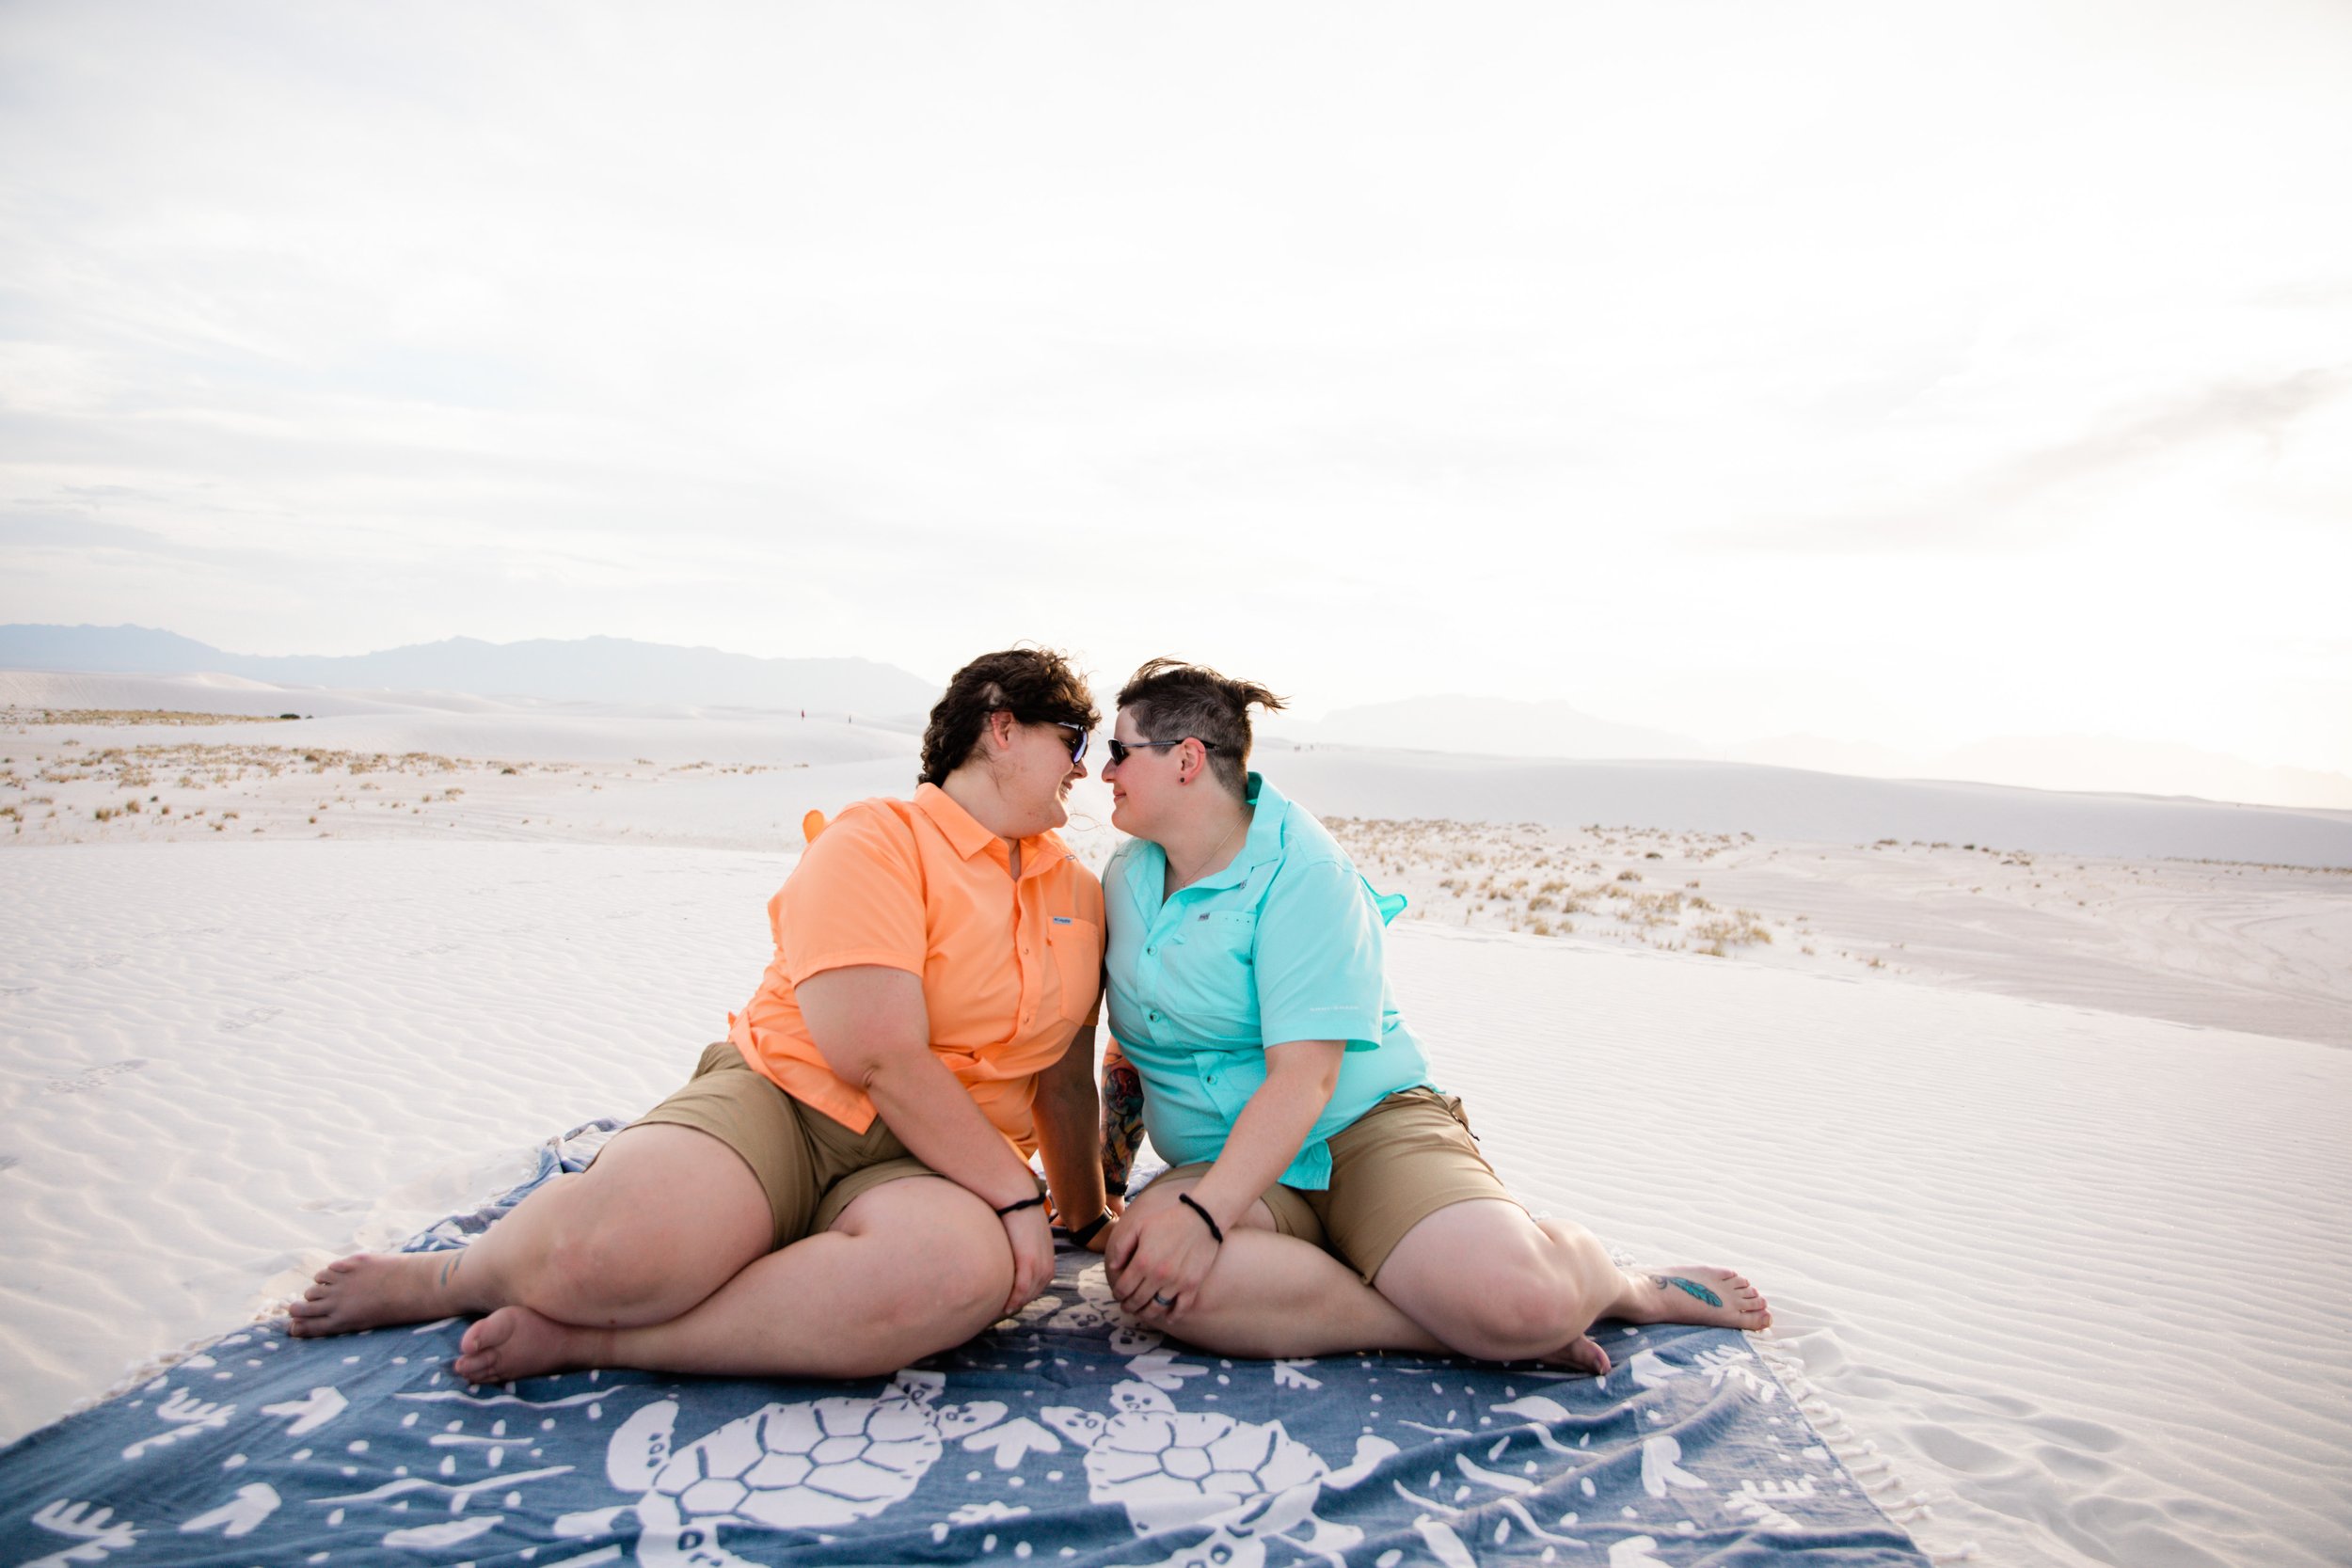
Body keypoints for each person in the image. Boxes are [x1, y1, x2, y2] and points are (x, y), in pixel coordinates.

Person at [288, 648, 1115, 1383]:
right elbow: (878, 1055)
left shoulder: (1080, 892)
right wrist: (1015, 1197)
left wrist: (1082, 1220)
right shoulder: (877, 841)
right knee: (615, 1251)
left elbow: (1065, 1085)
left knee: (953, 1279)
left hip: (939, 1164)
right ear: (1000, 727)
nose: (1084, 768)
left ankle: (596, 1344)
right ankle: (452, 1277)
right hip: (788, 1104)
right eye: (1073, 739)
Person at [1095, 659, 1769, 1373]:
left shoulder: (1305, 873)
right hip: (1227, 1163)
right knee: (1149, 1278)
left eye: (1118, 752)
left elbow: (1306, 1081)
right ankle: (1443, 1325)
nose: (1104, 773)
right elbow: (1130, 1051)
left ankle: (1624, 1288)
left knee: (1524, 1301)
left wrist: (1201, 1217)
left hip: (1365, 1131)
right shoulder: (1124, 877)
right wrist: (1108, 1190)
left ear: (1187, 760)